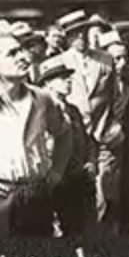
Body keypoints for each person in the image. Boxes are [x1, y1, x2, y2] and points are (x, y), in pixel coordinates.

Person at [0, 22, 70, 237]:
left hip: (36, 199)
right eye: (12, 54)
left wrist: (56, 171)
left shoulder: (42, 99)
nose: (23, 57)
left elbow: (64, 132)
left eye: (20, 50)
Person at [59, 9, 124, 233]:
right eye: (74, 34)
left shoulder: (105, 60)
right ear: (66, 38)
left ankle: (106, 244)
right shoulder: (59, 63)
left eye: (83, 32)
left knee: (104, 194)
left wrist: (115, 127)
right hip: (73, 142)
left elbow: (117, 98)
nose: (81, 37)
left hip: (104, 136)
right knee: (77, 198)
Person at [38, 54, 97, 236]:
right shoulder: (40, 111)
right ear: (48, 83)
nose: (68, 81)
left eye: (69, 77)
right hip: (54, 181)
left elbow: (87, 140)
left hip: (76, 178)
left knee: (77, 228)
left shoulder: (73, 110)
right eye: (62, 78)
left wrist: (91, 161)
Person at [98, 29, 129, 235]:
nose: (120, 63)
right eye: (115, 59)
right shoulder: (98, 85)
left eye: (123, 57)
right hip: (107, 148)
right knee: (107, 195)